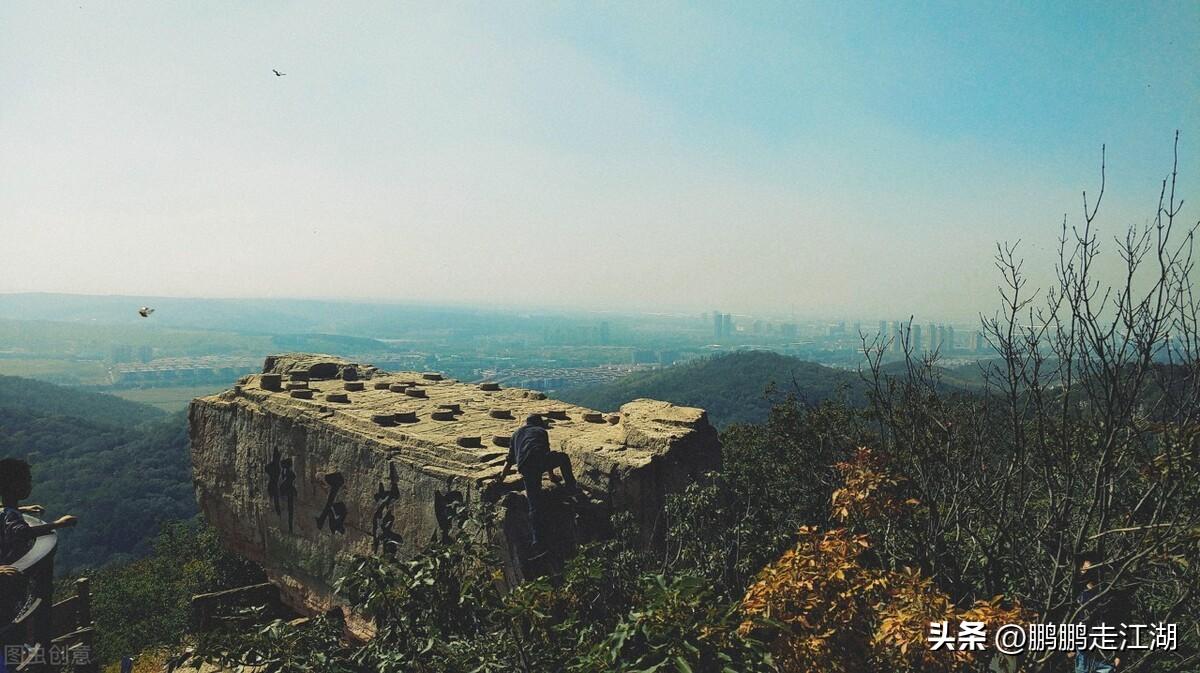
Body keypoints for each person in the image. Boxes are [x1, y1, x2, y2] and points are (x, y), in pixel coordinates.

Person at [495, 415, 578, 554]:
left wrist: (502, 477)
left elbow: (509, 459)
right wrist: (551, 476)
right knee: (563, 458)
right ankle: (571, 487)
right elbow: (546, 453)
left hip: (525, 466)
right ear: (539, 424)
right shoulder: (541, 431)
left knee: (534, 503)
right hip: (539, 460)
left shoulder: (515, 434)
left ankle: (537, 540)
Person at [0, 458, 77, 568]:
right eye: (26, 480)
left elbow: (5, 512)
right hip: (13, 573)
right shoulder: (11, 515)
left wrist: (24, 509)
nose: (29, 485)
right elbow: (23, 532)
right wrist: (59, 523)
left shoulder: (8, 511)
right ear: (13, 485)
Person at [1071, 551, 1130, 673]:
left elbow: (1124, 626)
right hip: (1083, 655)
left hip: (1105, 655)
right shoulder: (1077, 597)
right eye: (1084, 570)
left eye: (1091, 570)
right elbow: (1071, 624)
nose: (1087, 573)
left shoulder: (1112, 597)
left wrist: (1120, 655)